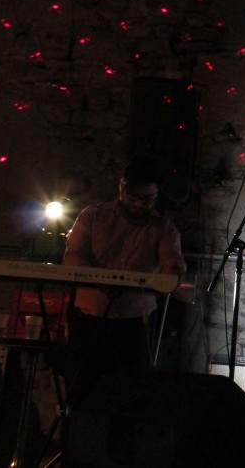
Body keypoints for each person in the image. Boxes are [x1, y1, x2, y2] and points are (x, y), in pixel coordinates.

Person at [62, 155, 187, 409]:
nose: (139, 204)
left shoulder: (163, 228)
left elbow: (172, 260)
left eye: (148, 199)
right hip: (89, 318)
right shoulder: (92, 216)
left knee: (129, 397)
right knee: (80, 392)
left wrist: (173, 272)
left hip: (133, 323)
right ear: (122, 187)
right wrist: (102, 281)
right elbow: (73, 257)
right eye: (133, 197)